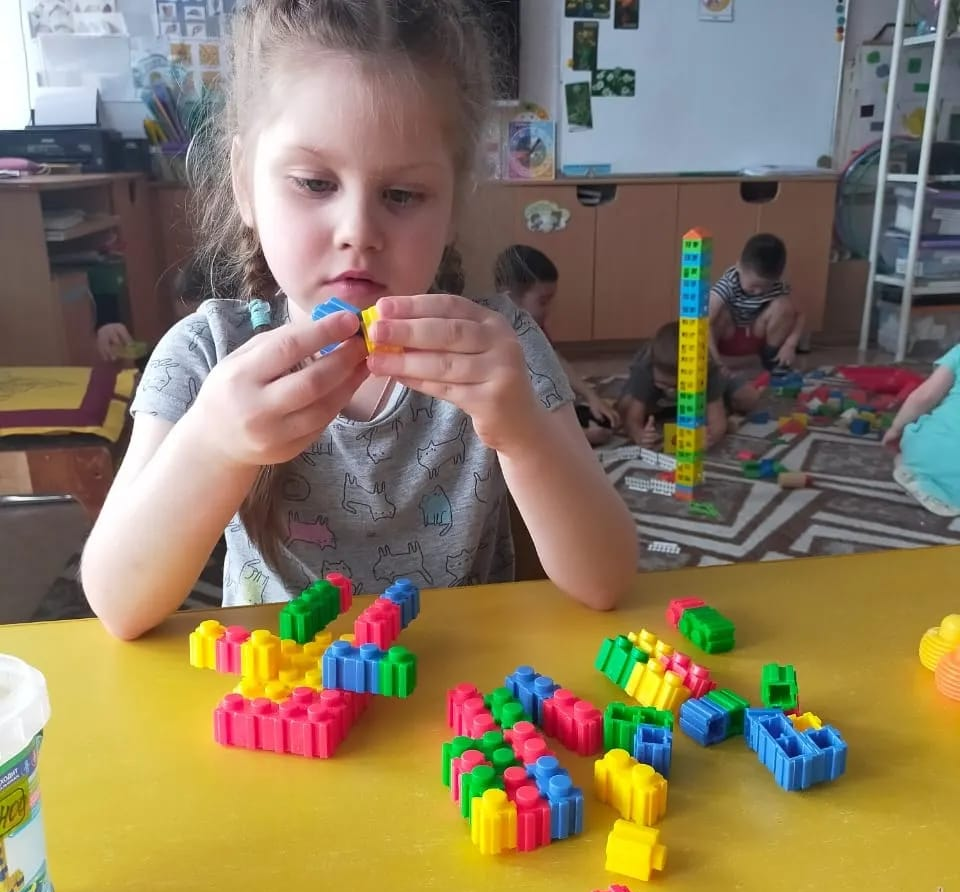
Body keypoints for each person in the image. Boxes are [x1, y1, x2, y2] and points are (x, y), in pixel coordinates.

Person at [80, 0, 636, 639]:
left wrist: (525, 435)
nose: (358, 231)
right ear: (244, 184)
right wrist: (212, 445)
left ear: (453, 206)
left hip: (461, 687)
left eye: (402, 194)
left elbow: (606, 580)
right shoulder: (204, 355)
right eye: (314, 183)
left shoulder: (498, 352)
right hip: (284, 684)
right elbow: (119, 606)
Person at [493, 244, 620, 446]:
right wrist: (580, 437)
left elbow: (554, 359)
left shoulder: (530, 325)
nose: (549, 310)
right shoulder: (498, 337)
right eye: (543, 302)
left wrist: (592, 396)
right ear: (508, 299)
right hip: (510, 417)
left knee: (583, 412)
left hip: (535, 407)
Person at [617, 321, 759, 449]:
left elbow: (718, 424)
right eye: (662, 383)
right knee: (624, 407)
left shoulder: (708, 370)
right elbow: (632, 419)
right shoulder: (645, 367)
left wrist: (709, 438)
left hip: (702, 393)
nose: (671, 390)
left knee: (748, 398)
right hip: (656, 400)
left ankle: (722, 397)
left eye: (678, 386)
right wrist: (640, 436)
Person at [882, 344, 960, 517]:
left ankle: (918, 476)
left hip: (934, 448)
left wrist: (895, 429)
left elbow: (924, 397)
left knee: (904, 455)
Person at [709, 233, 803, 373]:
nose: (759, 292)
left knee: (784, 306)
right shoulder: (728, 284)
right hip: (728, 337)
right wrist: (717, 363)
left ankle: (772, 360)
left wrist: (790, 345)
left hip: (757, 335)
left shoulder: (778, 285)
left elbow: (800, 314)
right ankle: (712, 365)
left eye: (766, 287)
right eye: (753, 286)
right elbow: (703, 322)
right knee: (714, 314)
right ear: (739, 267)